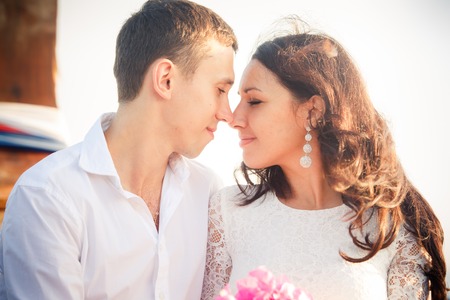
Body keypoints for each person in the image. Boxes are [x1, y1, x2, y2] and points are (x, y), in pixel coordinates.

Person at [0, 0, 238, 299]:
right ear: (166, 79)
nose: (228, 114)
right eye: (220, 90)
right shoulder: (47, 196)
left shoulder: (208, 193)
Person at [201, 17, 448, 300]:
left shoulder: (390, 228)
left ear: (313, 110)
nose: (234, 118)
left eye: (254, 101)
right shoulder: (227, 212)